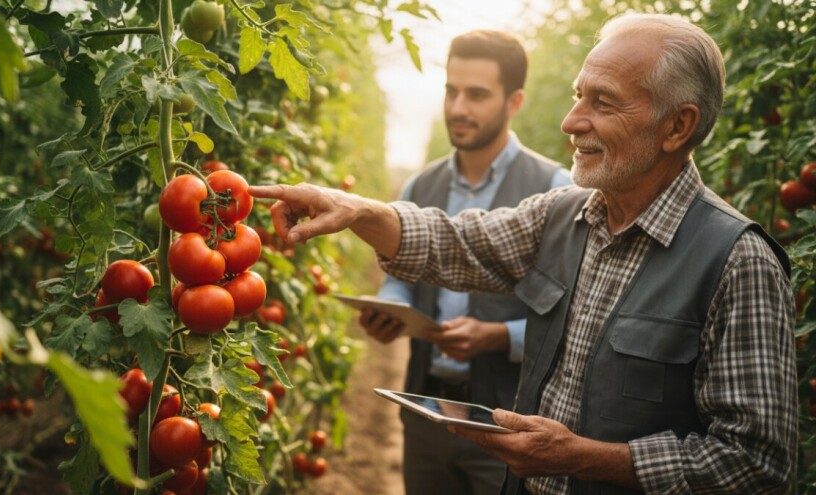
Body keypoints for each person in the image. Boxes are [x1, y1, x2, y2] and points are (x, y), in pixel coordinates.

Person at [250, 11, 797, 495]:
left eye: (602, 102)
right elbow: (456, 243)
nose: (571, 120)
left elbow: (755, 460)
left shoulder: (736, 261)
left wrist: (587, 459)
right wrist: (354, 209)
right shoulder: (563, 214)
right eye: (577, 94)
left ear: (677, 126)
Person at [360, 29, 571, 495]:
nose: (458, 108)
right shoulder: (420, 187)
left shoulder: (555, 189)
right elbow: (400, 279)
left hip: (507, 423)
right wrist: (389, 307)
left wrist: (499, 337)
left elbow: (572, 316)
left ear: (514, 101)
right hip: (425, 409)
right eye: (451, 91)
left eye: (476, 95)